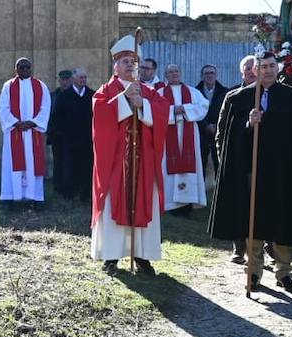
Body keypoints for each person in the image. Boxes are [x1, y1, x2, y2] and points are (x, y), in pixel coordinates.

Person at [208, 52, 292, 294]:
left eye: (271, 66)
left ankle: (284, 272)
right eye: (263, 66)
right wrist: (248, 125)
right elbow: (224, 134)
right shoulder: (238, 98)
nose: (267, 70)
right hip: (250, 170)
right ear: (254, 70)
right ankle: (253, 272)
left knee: (281, 222)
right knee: (252, 220)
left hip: (282, 171)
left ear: (279, 68)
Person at [91, 37, 170, 275]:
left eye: (134, 62)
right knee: (115, 201)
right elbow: (100, 115)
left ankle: (142, 255)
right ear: (115, 65)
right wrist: (125, 99)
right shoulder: (106, 91)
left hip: (143, 162)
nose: (130, 66)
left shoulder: (148, 91)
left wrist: (143, 104)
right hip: (116, 162)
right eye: (125, 61)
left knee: (144, 200)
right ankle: (111, 255)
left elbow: (163, 112)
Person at [214, 55, 256, 263]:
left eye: (254, 68)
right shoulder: (233, 95)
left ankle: (263, 247)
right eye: (247, 69)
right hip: (236, 160)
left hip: (259, 161)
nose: (251, 71)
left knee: (258, 205)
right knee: (237, 205)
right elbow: (221, 129)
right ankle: (239, 248)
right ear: (242, 72)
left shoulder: (266, 95)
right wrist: (222, 155)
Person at [0, 57, 51, 207]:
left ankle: (36, 197)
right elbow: (3, 109)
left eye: (28, 67)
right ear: (16, 70)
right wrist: (16, 123)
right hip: (15, 132)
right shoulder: (8, 87)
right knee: (11, 164)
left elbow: (45, 107)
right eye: (22, 68)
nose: (25, 70)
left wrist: (33, 122)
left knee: (34, 165)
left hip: (34, 132)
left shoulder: (41, 86)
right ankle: (9, 197)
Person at [159, 63, 209, 216]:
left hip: (189, 133)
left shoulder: (192, 92)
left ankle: (187, 204)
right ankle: (169, 203)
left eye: (176, 71)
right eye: (170, 72)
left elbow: (203, 106)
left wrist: (185, 109)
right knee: (167, 164)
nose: (174, 74)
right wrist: (173, 110)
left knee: (190, 164)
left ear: (181, 73)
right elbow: (156, 111)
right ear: (165, 76)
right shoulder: (160, 92)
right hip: (168, 135)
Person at [50, 67, 95, 201]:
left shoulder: (92, 95)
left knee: (86, 166)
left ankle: (85, 194)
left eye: (85, 78)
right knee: (69, 166)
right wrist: (64, 132)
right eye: (81, 77)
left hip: (87, 139)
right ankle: (69, 193)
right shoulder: (64, 96)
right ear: (74, 79)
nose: (83, 80)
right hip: (69, 139)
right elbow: (57, 117)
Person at [198, 63, 228, 180]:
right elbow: (194, 112)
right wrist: (205, 125)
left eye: (212, 73)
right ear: (202, 76)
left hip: (219, 132)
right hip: (201, 133)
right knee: (200, 164)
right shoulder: (195, 92)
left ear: (216, 75)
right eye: (206, 73)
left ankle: (221, 193)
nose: (209, 75)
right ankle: (200, 194)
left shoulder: (225, 92)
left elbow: (226, 112)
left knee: (220, 163)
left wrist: (216, 126)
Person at [47, 68, 73, 197]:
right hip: (57, 134)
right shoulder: (53, 95)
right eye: (62, 79)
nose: (65, 82)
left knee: (69, 162)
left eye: (67, 79)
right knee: (58, 160)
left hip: (71, 135)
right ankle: (57, 185)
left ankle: (67, 186)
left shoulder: (74, 95)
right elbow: (49, 114)